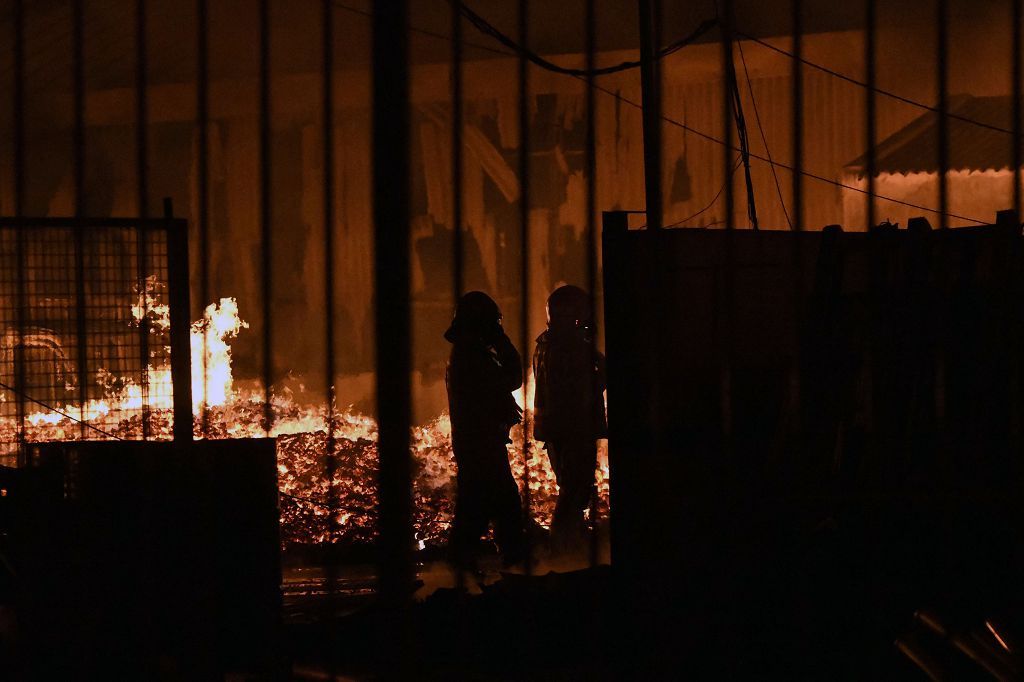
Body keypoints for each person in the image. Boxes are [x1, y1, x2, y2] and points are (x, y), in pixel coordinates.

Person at [445, 291, 527, 570]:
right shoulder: (472, 358)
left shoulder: (469, 354)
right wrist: (502, 341)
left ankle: (465, 567)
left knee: (484, 504)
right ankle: (507, 563)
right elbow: (513, 377)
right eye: (492, 323)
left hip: (478, 442)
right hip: (480, 444)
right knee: (495, 504)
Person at [533, 285, 607, 554]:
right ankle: (563, 548)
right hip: (574, 427)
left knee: (571, 487)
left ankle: (572, 544)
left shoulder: (544, 343)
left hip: (555, 429)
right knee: (574, 491)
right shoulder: (571, 347)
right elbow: (585, 387)